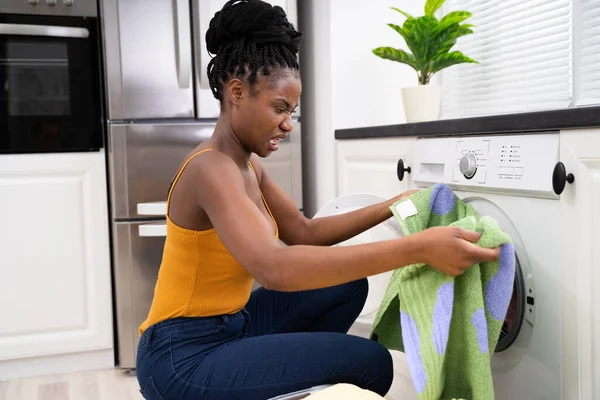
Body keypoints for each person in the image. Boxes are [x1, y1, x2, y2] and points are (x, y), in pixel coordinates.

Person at [134, 1, 499, 399]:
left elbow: (304, 232)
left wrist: (391, 205)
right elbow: (274, 267)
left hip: (232, 325)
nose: (288, 124)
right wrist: (416, 249)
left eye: (291, 110)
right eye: (279, 108)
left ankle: (274, 378)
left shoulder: (248, 167)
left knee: (345, 288)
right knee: (370, 362)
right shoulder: (211, 169)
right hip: (180, 357)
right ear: (237, 92)